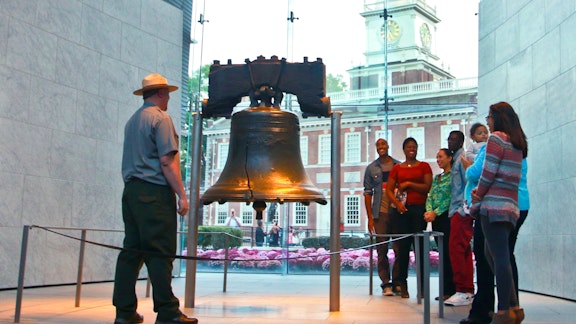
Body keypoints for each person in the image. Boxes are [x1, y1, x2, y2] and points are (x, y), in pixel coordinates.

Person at [113, 73, 197, 324]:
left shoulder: (133, 121)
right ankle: (168, 312)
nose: (169, 98)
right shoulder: (160, 119)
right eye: (167, 94)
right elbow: (167, 161)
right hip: (154, 193)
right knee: (160, 251)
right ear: (160, 93)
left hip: (131, 193)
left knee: (132, 252)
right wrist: (182, 195)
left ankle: (124, 312)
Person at [470, 102, 528, 324]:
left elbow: (488, 172)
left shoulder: (496, 139)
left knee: (500, 258)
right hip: (510, 207)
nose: (488, 121)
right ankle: (513, 306)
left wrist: (478, 194)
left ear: (497, 117)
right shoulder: (517, 142)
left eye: (489, 117)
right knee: (493, 254)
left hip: (493, 207)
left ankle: (505, 311)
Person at [386, 137, 432, 298]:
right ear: (404, 150)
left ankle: (423, 288)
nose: (412, 149)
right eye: (409, 147)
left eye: (414, 146)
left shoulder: (424, 166)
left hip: (418, 211)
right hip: (401, 212)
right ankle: (401, 285)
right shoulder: (397, 168)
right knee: (402, 250)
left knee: (420, 249)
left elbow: (427, 187)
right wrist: (397, 204)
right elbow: (389, 190)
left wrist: (408, 184)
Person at [363, 138, 400, 296]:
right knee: (382, 250)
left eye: (383, 144)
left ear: (388, 146)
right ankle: (386, 283)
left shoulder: (398, 166)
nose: (381, 147)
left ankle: (398, 282)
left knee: (399, 249)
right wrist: (370, 218)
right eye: (378, 145)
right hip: (380, 214)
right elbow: (367, 193)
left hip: (397, 213)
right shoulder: (371, 168)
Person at [444, 130, 475, 307]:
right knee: (462, 251)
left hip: (460, 210)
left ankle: (464, 290)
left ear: (461, 141)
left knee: (457, 249)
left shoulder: (461, 159)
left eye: (454, 139)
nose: (450, 142)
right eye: (449, 139)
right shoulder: (455, 158)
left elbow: (468, 183)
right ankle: (466, 289)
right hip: (456, 209)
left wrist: (464, 209)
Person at [423, 148, 456, 301]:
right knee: (442, 254)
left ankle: (452, 289)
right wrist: (430, 211)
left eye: (441, 157)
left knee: (450, 255)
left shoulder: (454, 176)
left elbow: (450, 198)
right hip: (435, 219)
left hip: (447, 217)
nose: (438, 160)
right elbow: (430, 196)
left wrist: (436, 212)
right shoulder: (437, 178)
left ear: (450, 158)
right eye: (436, 157)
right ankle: (444, 290)